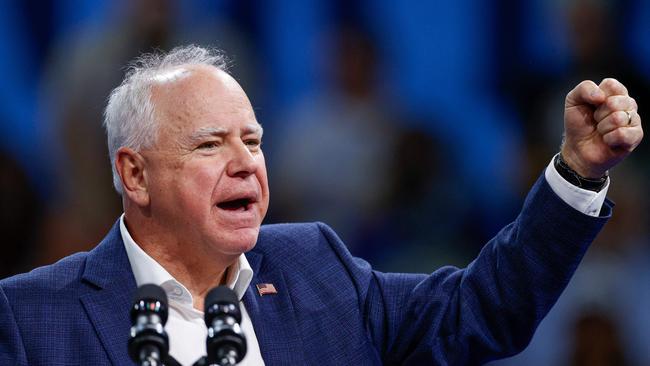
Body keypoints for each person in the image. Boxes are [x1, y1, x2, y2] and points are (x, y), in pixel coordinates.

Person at [0, 45, 643, 365]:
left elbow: (482, 310)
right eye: (209, 144)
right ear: (134, 175)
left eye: (253, 140)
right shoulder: (33, 317)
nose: (246, 161)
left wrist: (578, 173)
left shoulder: (314, 267)